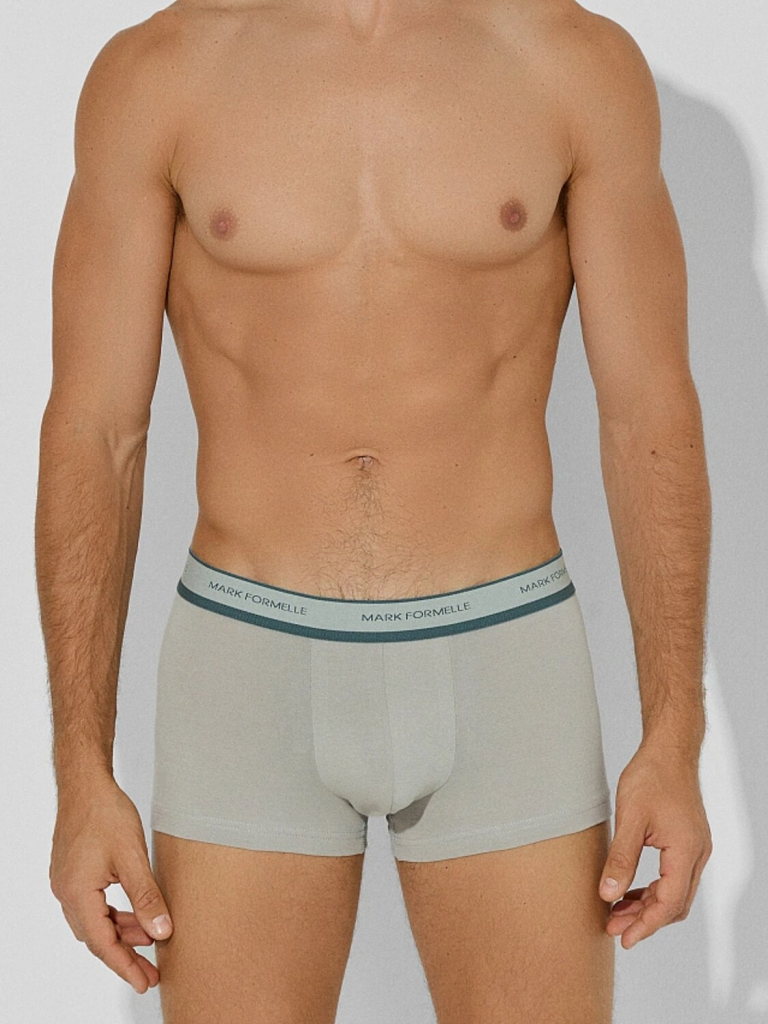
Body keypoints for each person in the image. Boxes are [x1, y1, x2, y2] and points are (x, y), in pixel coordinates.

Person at [36, 0, 713, 1020]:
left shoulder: (573, 61)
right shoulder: (160, 71)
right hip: (246, 663)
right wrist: (79, 772)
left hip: (506, 657)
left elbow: (647, 415)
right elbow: (96, 432)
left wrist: (676, 733)